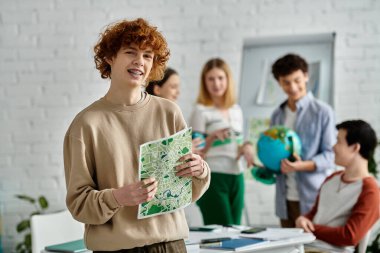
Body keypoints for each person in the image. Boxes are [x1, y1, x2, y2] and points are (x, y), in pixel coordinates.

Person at [63, 18, 210, 252]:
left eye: (147, 56)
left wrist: (201, 171)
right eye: (131, 52)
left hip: (172, 245)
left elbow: (186, 191)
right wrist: (118, 197)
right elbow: (79, 205)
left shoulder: (169, 112)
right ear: (110, 57)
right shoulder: (86, 125)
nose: (139, 62)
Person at [270, 53, 336, 228]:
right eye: (286, 82)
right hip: (285, 199)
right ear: (279, 82)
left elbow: (330, 156)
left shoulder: (323, 112)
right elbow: (275, 154)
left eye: (297, 80)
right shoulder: (277, 115)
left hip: (313, 198)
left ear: (306, 76)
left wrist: (301, 165)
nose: (292, 87)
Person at [296, 120, 380, 252]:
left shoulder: (371, 190)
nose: (333, 147)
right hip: (306, 246)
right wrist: (303, 219)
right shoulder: (332, 178)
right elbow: (314, 214)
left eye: (338, 141)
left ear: (355, 148)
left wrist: (311, 229)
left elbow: (350, 236)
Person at [190, 58, 254, 226]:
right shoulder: (200, 111)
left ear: (228, 80)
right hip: (214, 177)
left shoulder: (236, 110)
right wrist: (211, 138)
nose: (216, 83)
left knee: (235, 231)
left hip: (237, 176)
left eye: (220, 78)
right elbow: (195, 152)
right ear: (204, 82)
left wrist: (246, 147)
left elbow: (237, 143)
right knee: (221, 235)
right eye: (210, 79)